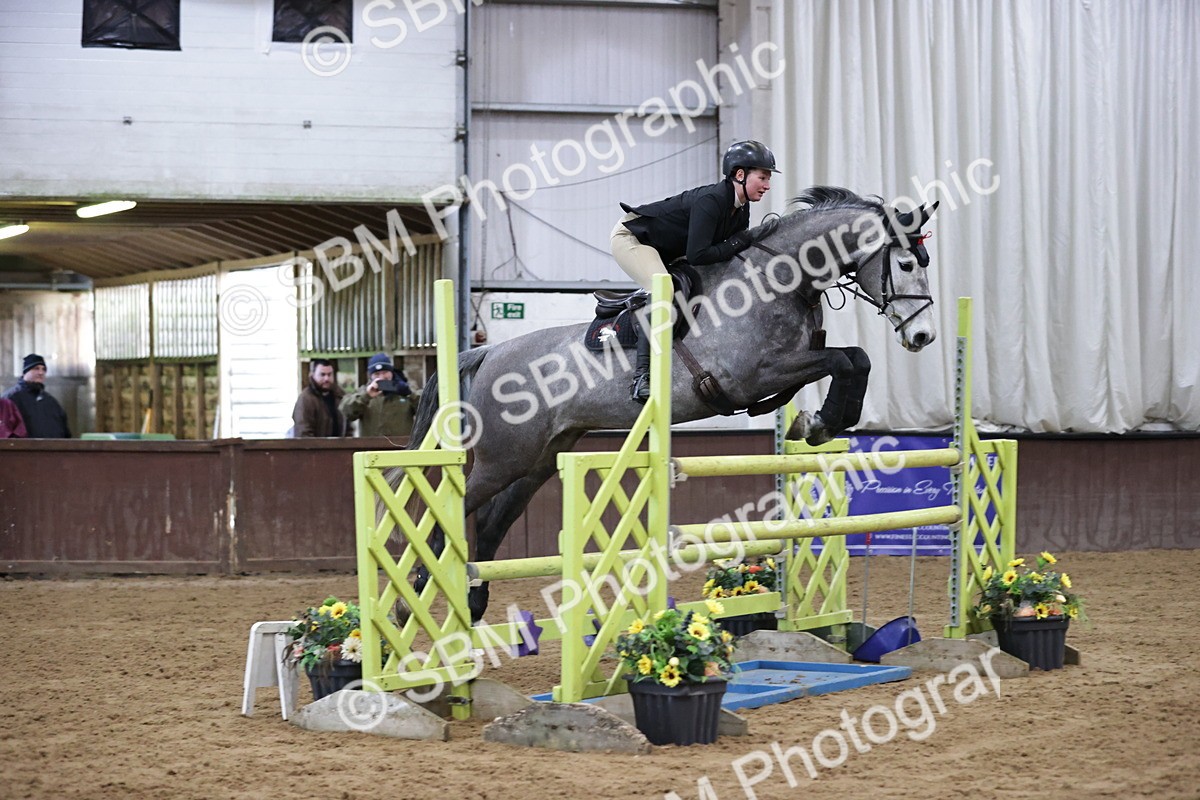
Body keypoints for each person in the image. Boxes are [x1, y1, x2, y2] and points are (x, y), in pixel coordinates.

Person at [610, 140, 781, 403]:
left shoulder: (741, 207)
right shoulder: (712, 200)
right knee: (663, 287)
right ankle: (641, 377)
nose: (767, 185)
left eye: (768, 178)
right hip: (632, 239)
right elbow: (698, 255)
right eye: (763, 177)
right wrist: (743, 239)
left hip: (667, 249)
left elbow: (729, 253)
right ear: (740, 174)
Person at [339, 352, 420, 438]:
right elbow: (347, 411)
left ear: (391, 372)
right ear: (371, 376)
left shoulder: (407, 389)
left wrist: (410, 394)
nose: (381, 377)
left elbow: (426, 409)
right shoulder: (364, 392)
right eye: (377, 374)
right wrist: (366, 396)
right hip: (372, 447)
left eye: (385, 372)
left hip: (401, 447)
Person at [2, 353, 71, 438]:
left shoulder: (51, 401)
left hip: (52, 450)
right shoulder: (10, 399)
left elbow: (64, 431)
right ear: (25, 372)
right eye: (36, 368)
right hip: (23, 450)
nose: (41, 372)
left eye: (44, 369)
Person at [290, 358, 349, 437]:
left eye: (329, 374)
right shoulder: (306, 399)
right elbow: (303, 432)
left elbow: (349, 427)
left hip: (340, 447)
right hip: (316, 447)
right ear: (313, 375)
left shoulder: (340, 396)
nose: (326, 379)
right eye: (322, 374)